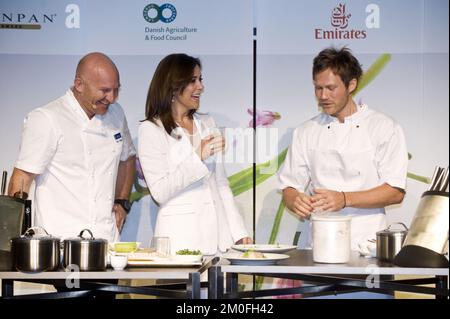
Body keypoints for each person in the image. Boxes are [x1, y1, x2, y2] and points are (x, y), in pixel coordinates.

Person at [279, 46, 408, 249]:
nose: (323, 96)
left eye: (331, 88)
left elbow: (395, 191)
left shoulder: (383, 126)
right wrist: (295, 199)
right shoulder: (305, 131)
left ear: (351, 85)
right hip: (320, 243)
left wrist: (344, 199)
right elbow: (289, 187)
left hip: (367, 245)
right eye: (318, 88)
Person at [8, 52, 136, 243]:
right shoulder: (47, 118)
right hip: (58, 243)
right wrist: (10, 240)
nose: (111, 98)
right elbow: (22, 179)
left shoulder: (116, 114)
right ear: (79, 85)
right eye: (104, 90)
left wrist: (122, 202)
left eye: (116, 90)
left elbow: (127, 158)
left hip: (107, 241)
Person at [138, 53, 251, 255]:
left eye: (200, 79)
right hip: (178, 243)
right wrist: (197, 156)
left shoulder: (207, 123)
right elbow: (160, 192)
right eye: (193, 81)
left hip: (218, 241)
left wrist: (239, 232)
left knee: (218, 287)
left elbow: (221, 183)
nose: (200, 86)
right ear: (173, 86)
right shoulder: (151, 129)